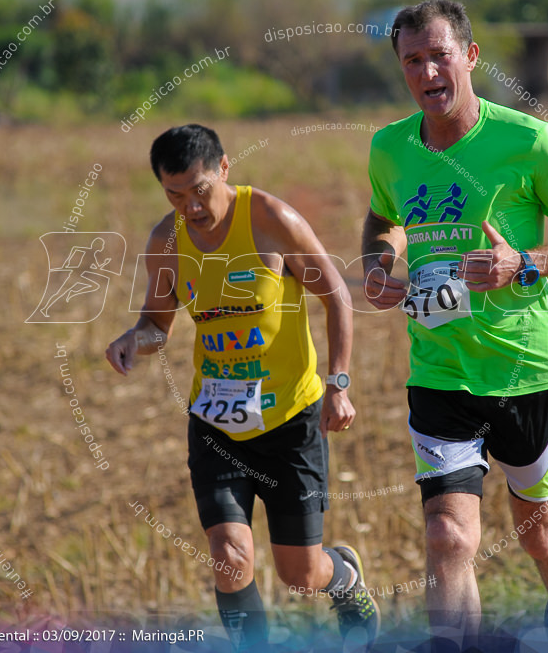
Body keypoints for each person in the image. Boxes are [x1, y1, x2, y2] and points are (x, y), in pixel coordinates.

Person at [361, 0, 548, 650]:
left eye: (439, 55)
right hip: (439, 368)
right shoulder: (389, 147)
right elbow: (381, 216)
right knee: (447, 537)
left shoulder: (529, 141)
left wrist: (521, 262)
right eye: (412, 60)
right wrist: (381, 262)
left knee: (538, 534)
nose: (426, 71)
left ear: (469, 57)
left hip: (525, 367)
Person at [107, 124, 379, 651]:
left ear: (224, 168)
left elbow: (337, 298)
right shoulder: (167, 242)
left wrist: (338, 383)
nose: (191, 207)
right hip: (216, 424)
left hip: (290, 422)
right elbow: (156, 326)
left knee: (300, 575)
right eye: (175, 195)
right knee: (230, 559)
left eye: (200, 189)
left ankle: (343, 576)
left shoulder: (271, 220)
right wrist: (130, 341)